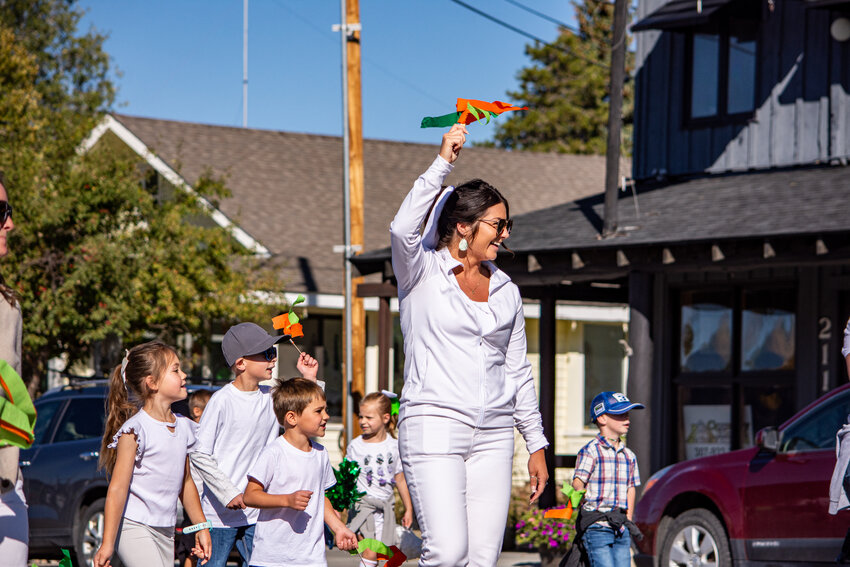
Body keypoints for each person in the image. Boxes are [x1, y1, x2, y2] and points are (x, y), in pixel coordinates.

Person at [389, 123, 549, 566]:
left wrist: (535, 444)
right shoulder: (421, 273)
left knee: (481, 557)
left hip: (495, 435)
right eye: (497, 224)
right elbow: (403, 228)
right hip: (435, 425)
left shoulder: (507, 292)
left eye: (507, 224)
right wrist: (444, 162)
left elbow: (517, 370)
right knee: (448, 551)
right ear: (463, 227)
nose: (505, 234)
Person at [188, 322, 321, 567]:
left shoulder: (272, 396)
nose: (273, 359)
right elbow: (199, 454)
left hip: (257, 511)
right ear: (241, 364)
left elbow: (306, 417)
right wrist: (229, 493)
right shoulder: (221, 401)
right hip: (219, 516)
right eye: (267, 354)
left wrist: (309, 378)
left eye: (274, 353)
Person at [94, 341, 212, 567]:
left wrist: (201, 526)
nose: (184, 375)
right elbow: (118, 488)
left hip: (165, 531)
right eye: (176, 370)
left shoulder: (184, 427)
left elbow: (186, 482)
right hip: (133, 526)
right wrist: (107, 543)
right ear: (152, 383)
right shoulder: (136, 429)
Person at [243, 377, 357, 566]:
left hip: (311, 558)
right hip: (272, 559)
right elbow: (250, 496)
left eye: (325, 410)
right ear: (292, 417)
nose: (326, 416)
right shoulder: (274, 452)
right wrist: (286, 500)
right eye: (319, 411)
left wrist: (338, 528)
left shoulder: (320, 453)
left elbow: (320, 498)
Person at [571, 391, 644, 567]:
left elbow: (631, 488)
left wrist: (629, 519)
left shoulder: (629, 455)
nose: (627, 418)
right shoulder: (591, 451)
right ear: (602, 418)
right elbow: (578, 481)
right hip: (597, 525)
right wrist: (577, 491)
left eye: (627, 414)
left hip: (620, 526)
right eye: (620, 414)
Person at [0, 175, 31, 567]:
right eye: (0, 212)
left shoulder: (10, 304)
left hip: (7, 479)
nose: (9, 223)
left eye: (8, 211)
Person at [346, 392, 414, 567]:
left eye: (369, 417)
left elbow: (400, 479)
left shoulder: (394, 447)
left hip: (385, 511)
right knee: (371, 550)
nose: (363, 421)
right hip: (363, 509)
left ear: (385, 418)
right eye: (361, 417)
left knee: (384, 556)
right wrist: (342, 509)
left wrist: (408, 508)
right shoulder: (355, 446)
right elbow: (347, 479)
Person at [177, 389, 214, 567]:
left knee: (201, 550)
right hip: (193, 504)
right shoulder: (193, 434)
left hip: (207, 506)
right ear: (197, 411)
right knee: (191, 550)